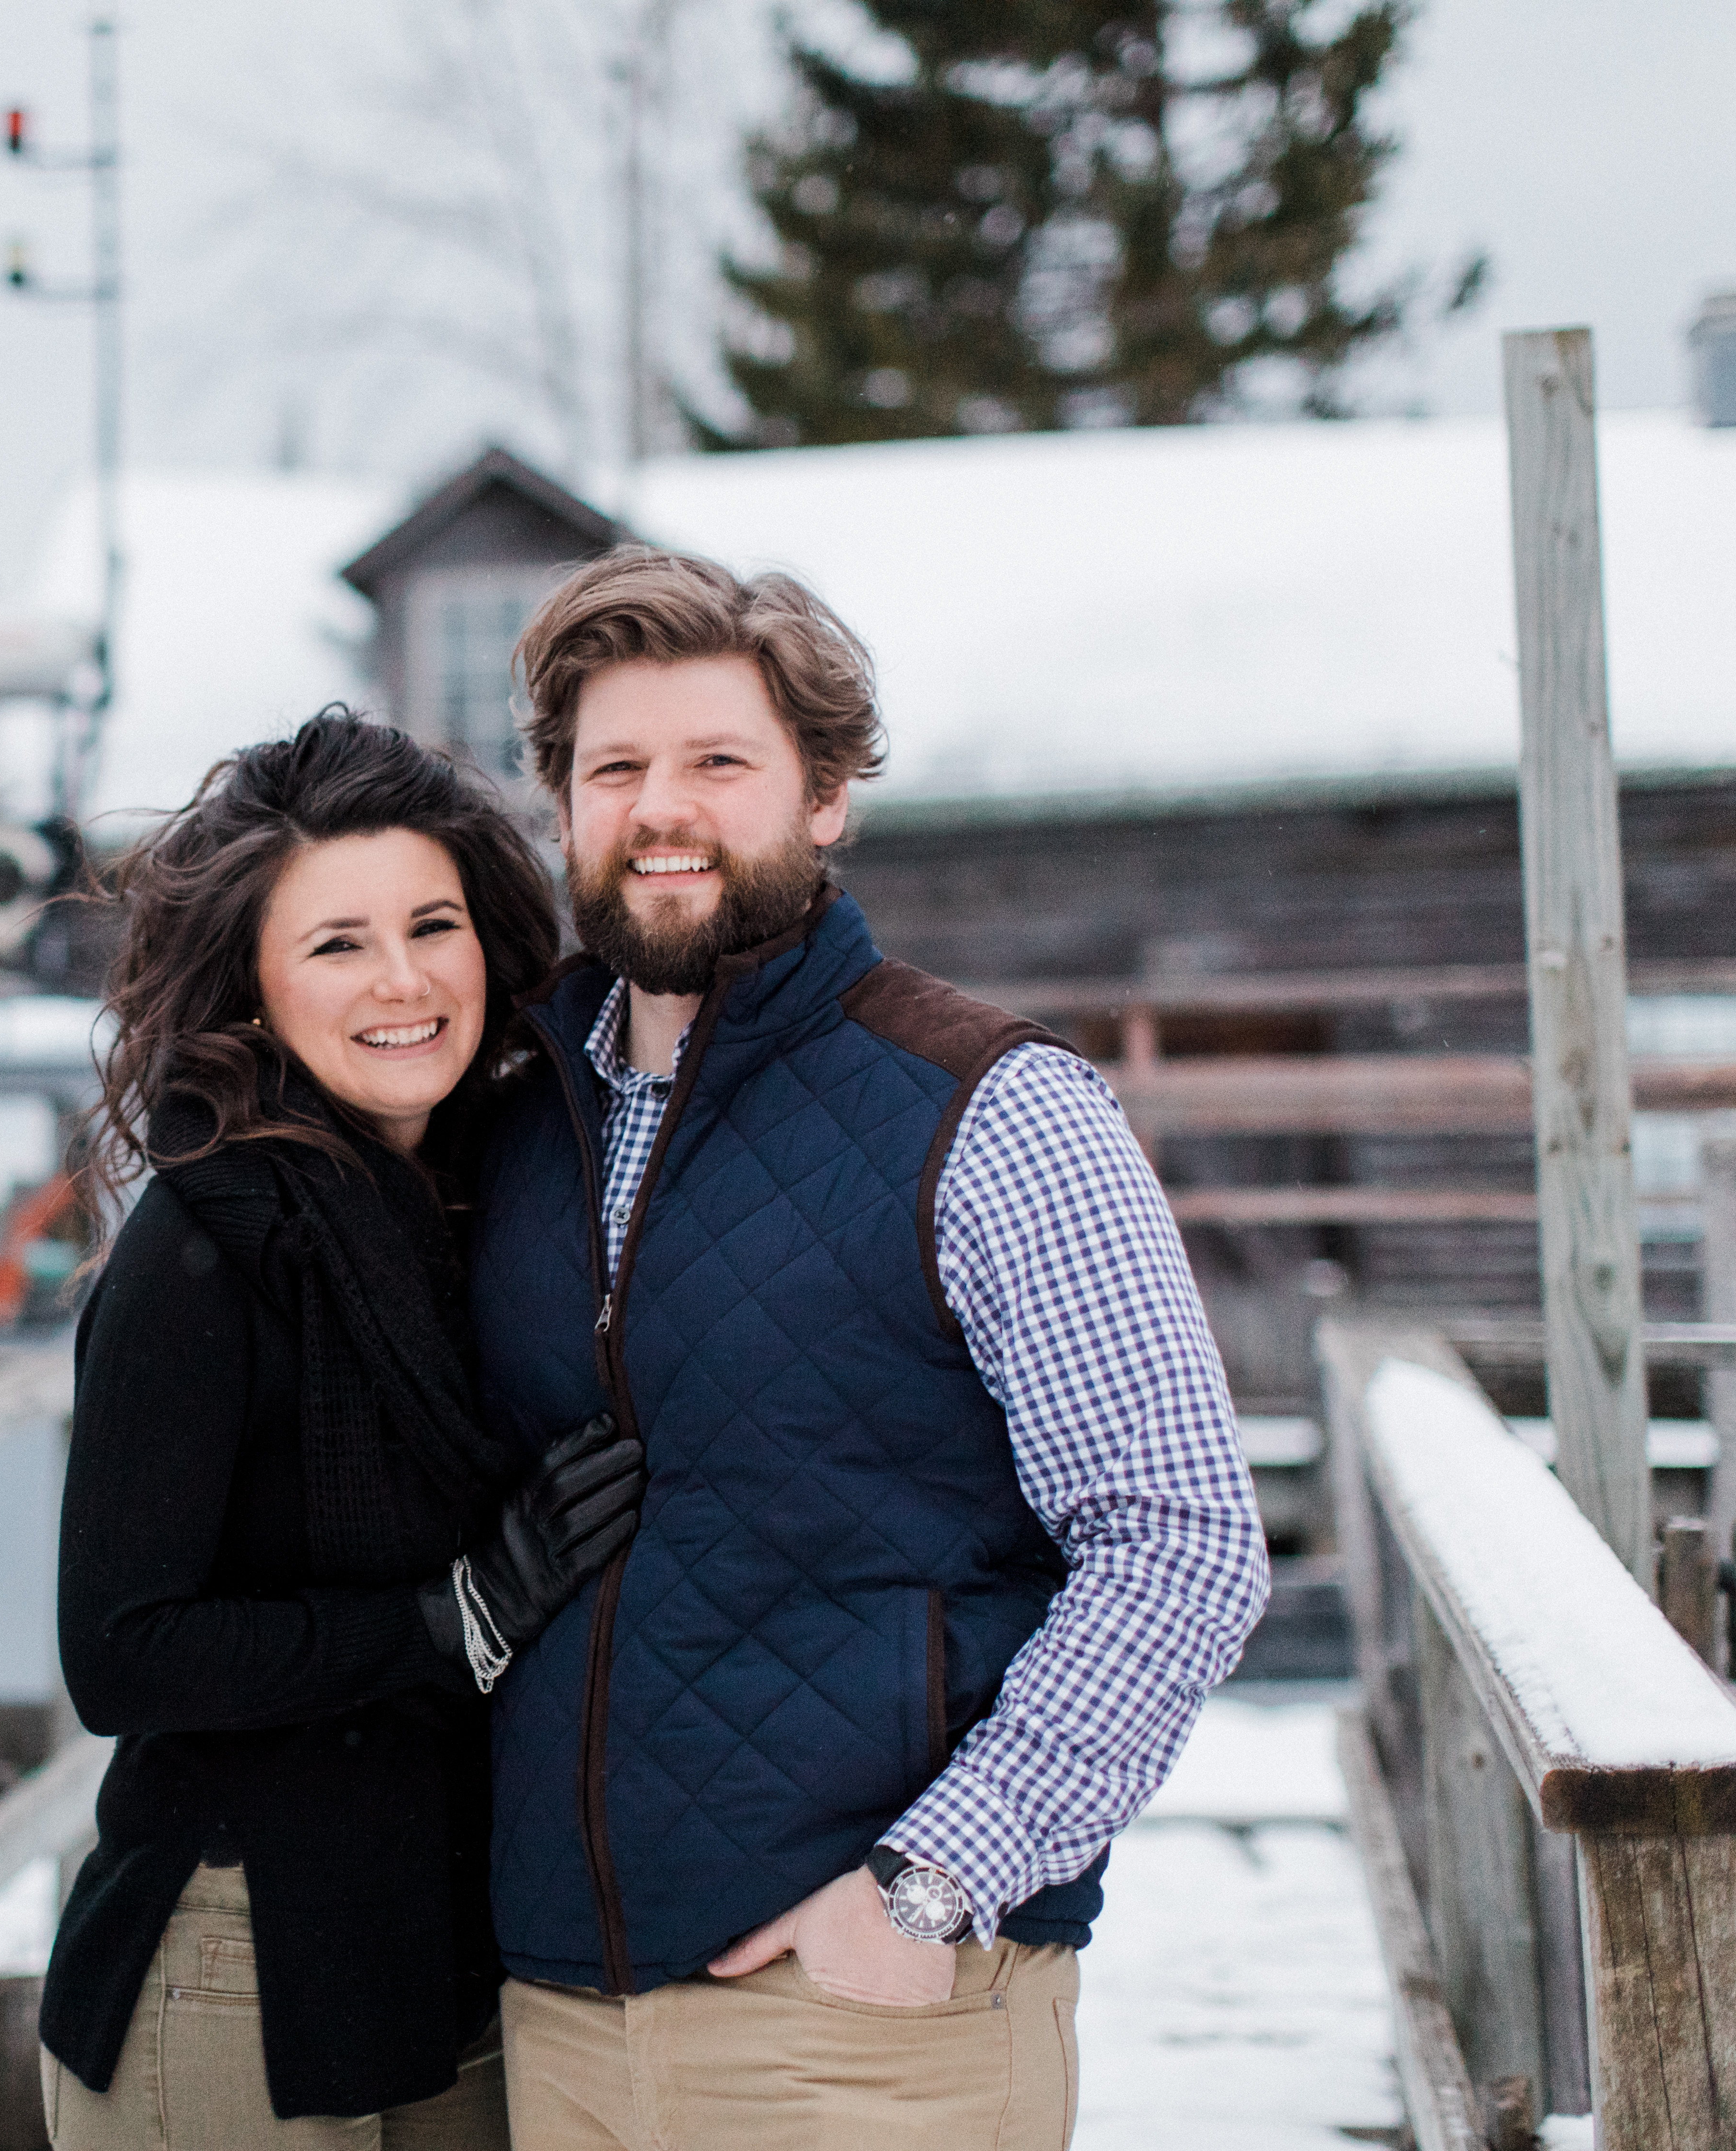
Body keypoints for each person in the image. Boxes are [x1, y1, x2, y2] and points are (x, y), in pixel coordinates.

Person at [468, 550, 1271, 2150]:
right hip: (554, 2013)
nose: (661, 808)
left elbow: (1181, 1539)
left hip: (859, 2025)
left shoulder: (989, 1108)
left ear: (826, 796)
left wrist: (929, 1886)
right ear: (564, 810)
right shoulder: (515, 1120)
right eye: (614, 768)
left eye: (720, 762)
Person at [40, 712, 647, 2151]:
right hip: (233, 1954)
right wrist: (450, 1623)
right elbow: (120, 1652)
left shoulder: (486, 1213)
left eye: (432, 924)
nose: (401, 979)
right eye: (335, 944)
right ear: (249, 989)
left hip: (450, 1953)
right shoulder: (207, 1245)